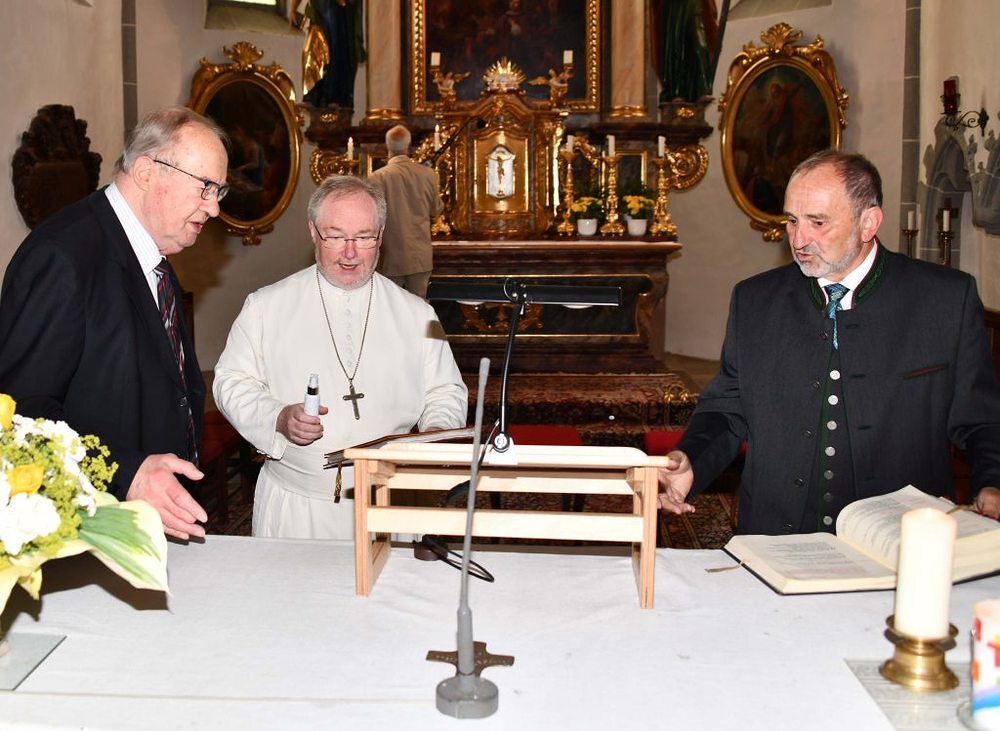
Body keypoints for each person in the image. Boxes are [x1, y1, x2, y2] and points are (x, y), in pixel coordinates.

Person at [658, 150, 1000, 534]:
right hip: (777, 535)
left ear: (868, 222)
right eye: (792, 220)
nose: (799, 239)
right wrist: (692, 460)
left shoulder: (944, 300)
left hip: (897, 538)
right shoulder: (754, 301)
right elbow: (726, 410)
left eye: (817, 222)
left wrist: (993, 483)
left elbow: (982, 420)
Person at [0, 106, 230, 540]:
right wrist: (128, 473)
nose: (214, 208)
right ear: (146, 172)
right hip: (89, 527)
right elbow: (19, 411)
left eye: (219, 191)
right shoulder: (62, 256)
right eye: (205, 187)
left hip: (153, 519)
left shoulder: (151, 253)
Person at [212, 175, 467, 539]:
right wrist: (278, 417)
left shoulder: (419, 314)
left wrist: (436, 430)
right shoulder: (265, 307)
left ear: (381, 235)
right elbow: (231, 382)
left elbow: (445, 391)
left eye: (363, 237)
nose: (350, 253)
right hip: (297, 504)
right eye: (335, 236)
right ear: (313, 232)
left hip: (390, 503)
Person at [368, 125, 443, 299]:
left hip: (391, 256)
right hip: (420, 256)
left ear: (387, 147)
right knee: (419, 308)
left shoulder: (377, 178)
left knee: (390, 308)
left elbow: (371, 218)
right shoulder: (428, 174)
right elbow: (436, 209)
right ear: (408, 146)